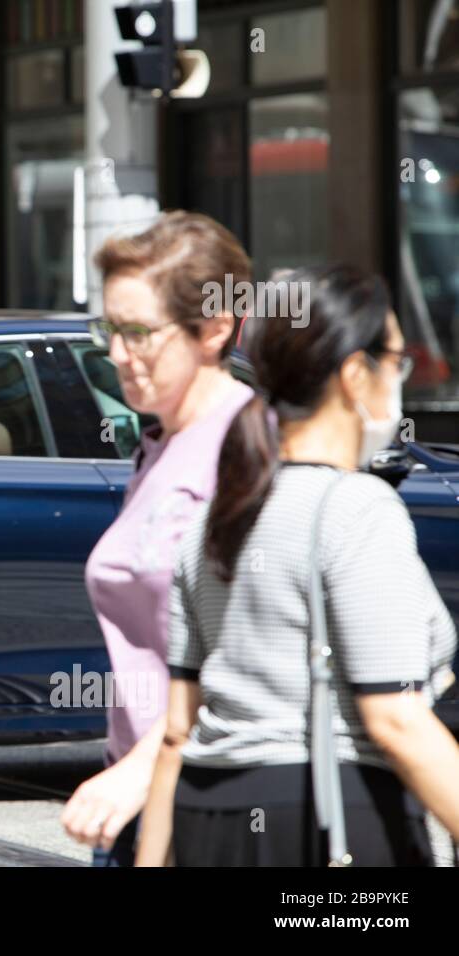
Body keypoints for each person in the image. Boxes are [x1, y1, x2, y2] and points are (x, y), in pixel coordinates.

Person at [137, 264, 459, 866]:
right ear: (354, 374)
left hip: (209, 815)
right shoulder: (358, 507)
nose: (401, 377)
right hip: (328, 816)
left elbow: (177, 730)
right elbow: (394, 719)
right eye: (395, 359)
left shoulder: (215, 516)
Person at [60, 211, 255, 865]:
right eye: (109, 329)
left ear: (216, 327)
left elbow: (255, 656)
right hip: (140, 793)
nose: (117, 353)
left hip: (207, 800)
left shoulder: (246, 448)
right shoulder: (159, 442)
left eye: (139, 332)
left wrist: (143, 770)